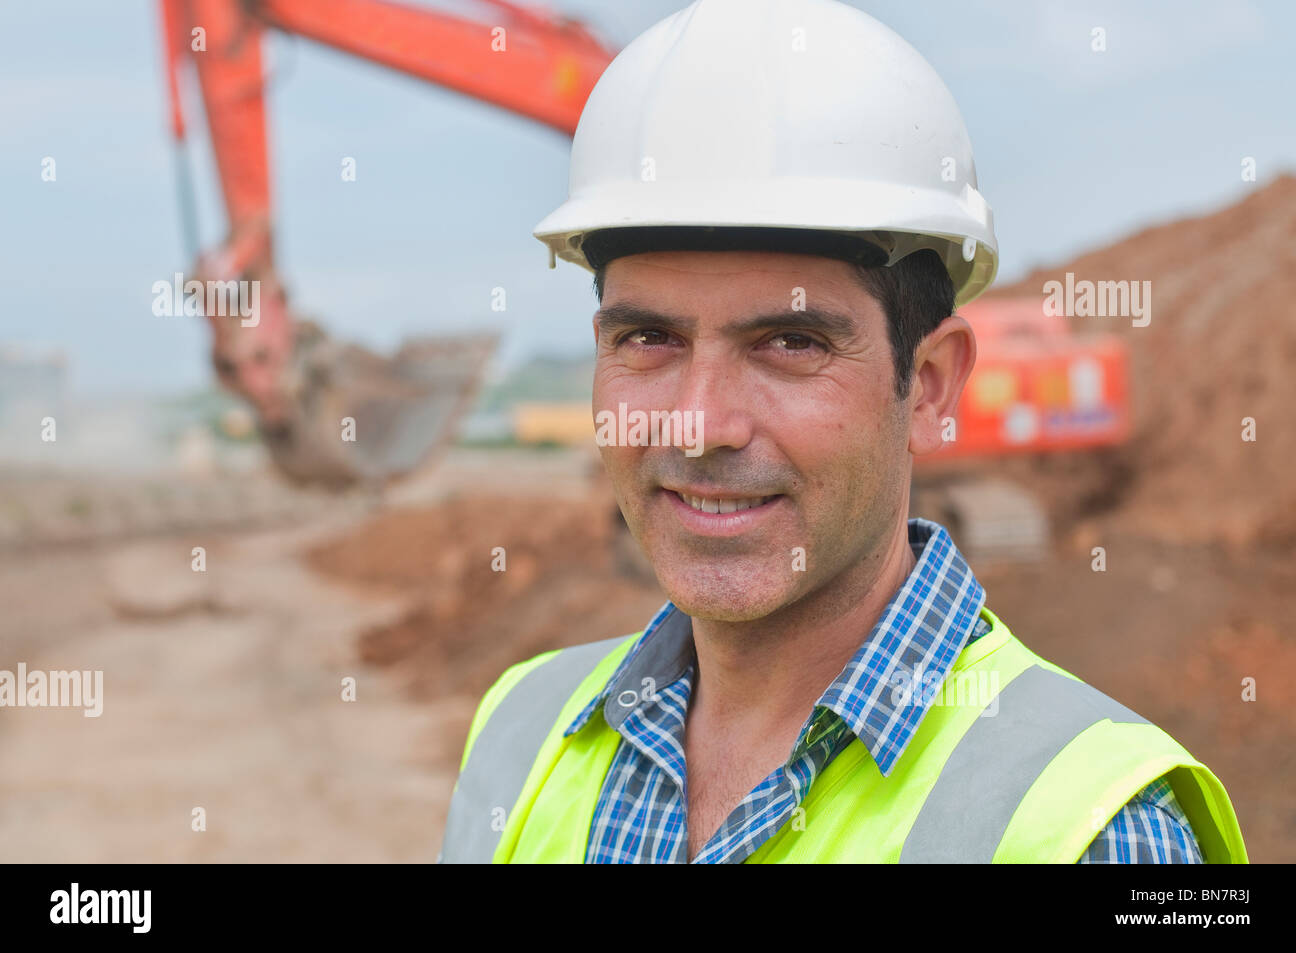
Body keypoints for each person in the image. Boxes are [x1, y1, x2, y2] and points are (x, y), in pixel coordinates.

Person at [438, 0, 1247, 863]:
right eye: (649, 338)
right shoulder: (522, 731)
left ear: (929, 387)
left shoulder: (1099, 831)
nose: (701, 423)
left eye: (790, 342)